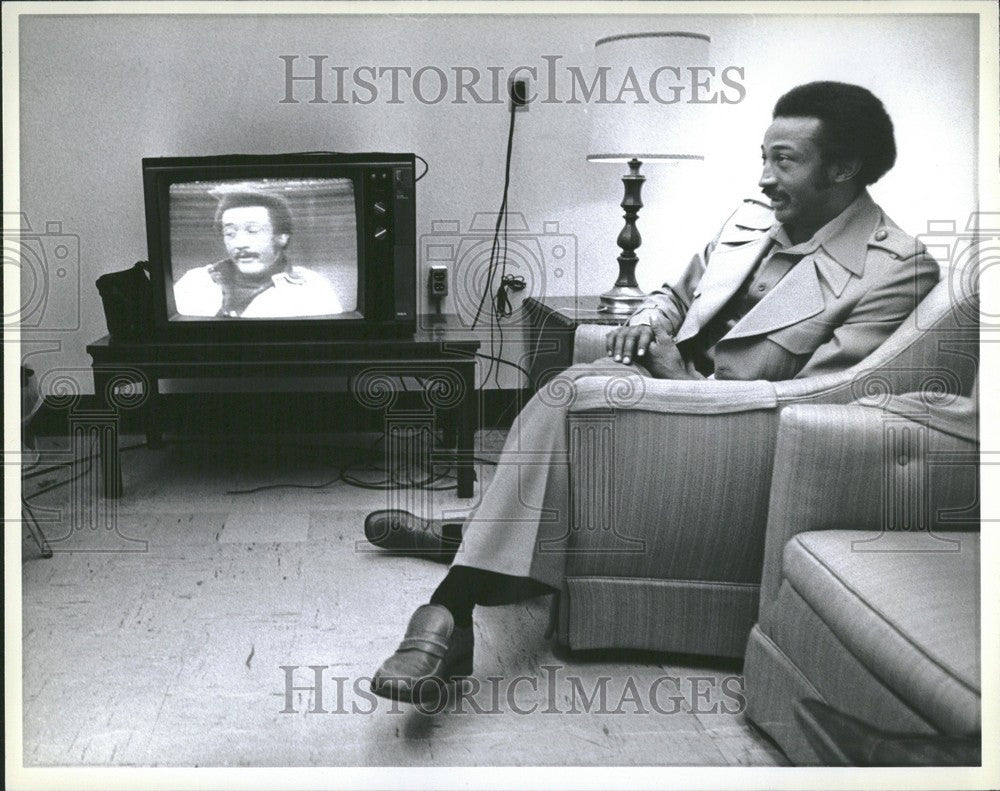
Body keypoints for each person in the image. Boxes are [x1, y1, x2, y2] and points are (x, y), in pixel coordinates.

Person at [365, 81, 941, 704]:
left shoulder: (895, 268)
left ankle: (450, 601)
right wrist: (648, 325)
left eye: (786, 161)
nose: (767, 177)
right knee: (574, 393)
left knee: (569, 395)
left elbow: (815, 408)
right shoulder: (753, 218)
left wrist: (678, 378)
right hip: (663, 399)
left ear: (845, 168)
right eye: (764, 157)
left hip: (734, 433)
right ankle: (469, 548)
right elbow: (676, 294)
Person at [173, 189, 344, 318]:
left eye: (253, 230)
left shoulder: (312, 290)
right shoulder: (195, 282)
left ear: (281, 236)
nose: (239, 244)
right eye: (230, 233)